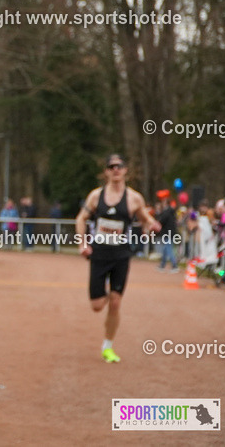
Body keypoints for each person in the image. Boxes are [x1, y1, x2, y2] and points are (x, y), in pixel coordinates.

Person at [74, 154, 160, 363]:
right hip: (99, 254)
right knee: (97, 305)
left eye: (119, 166)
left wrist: (151, 225)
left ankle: (108, 346)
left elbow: (145, 219)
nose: (115, 170)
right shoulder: (96, 196)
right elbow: (81, 218)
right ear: (106, 172)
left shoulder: (134, 198)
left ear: (125, 170)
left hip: (121, 255)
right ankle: (103, 294)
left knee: (115, 303)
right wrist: (82, 243)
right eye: (111, 167)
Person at [155, 199, 178, 272]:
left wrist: (158, 214)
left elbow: (162, 220)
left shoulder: (166, 212)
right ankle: (162, 264)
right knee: (165, 249)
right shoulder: (171, 212)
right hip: (170, 232)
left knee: (168, 248)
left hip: (167, 233)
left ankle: (174, 265)